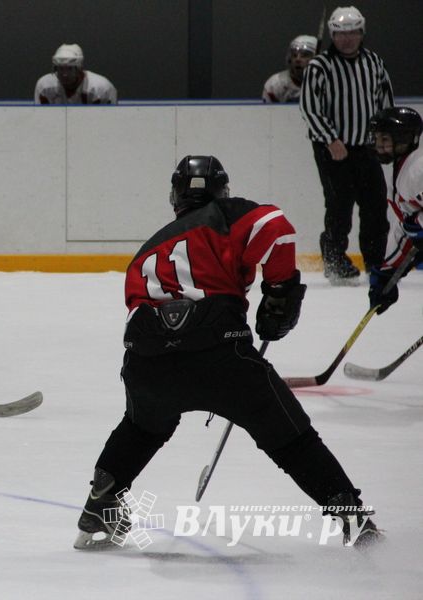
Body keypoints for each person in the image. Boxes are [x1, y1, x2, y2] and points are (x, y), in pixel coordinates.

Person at [73, 155, 381, 551]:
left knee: (141, 427)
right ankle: (353, 520)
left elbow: (136, 307)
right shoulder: (226, 214)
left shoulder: (149, 249)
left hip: (147, 361)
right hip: (220, 354)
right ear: (221, 190)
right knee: (291, 438)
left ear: (175, 196)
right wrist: (280, 293)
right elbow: (278, 228)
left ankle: (99, 504)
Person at [299, 6, 393, 285]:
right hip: (332, 149)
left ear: (361, 33)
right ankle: (334, 260)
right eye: (340, 34)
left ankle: (376, 262)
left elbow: (384, 101)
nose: (346, 39)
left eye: (352, 33)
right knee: (339, 206)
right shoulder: (319, 66)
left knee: (375, 206)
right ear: (332, 35)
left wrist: (384, 137)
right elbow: (310, 108)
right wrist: (330, 139)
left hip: (366, 147)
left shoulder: (375, 63)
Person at [366, 106, 423, 314]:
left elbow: (415, 224)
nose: (378, 145)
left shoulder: (419, 169)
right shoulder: (400, 175)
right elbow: (405, 227)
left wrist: (419, 224)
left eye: (385, 140)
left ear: (404, 139)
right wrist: (387, 272)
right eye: (377, 139)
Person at [34, 43, 117, 105]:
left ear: (79, 69)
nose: (64, 74)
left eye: (70, 69)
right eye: (60, 69)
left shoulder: (101, 89)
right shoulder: (45, 87)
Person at [262, 35, 317, 103]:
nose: (298, 59)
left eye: (304, 55)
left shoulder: (327, 84)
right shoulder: (276, 84)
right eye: (294, 55)